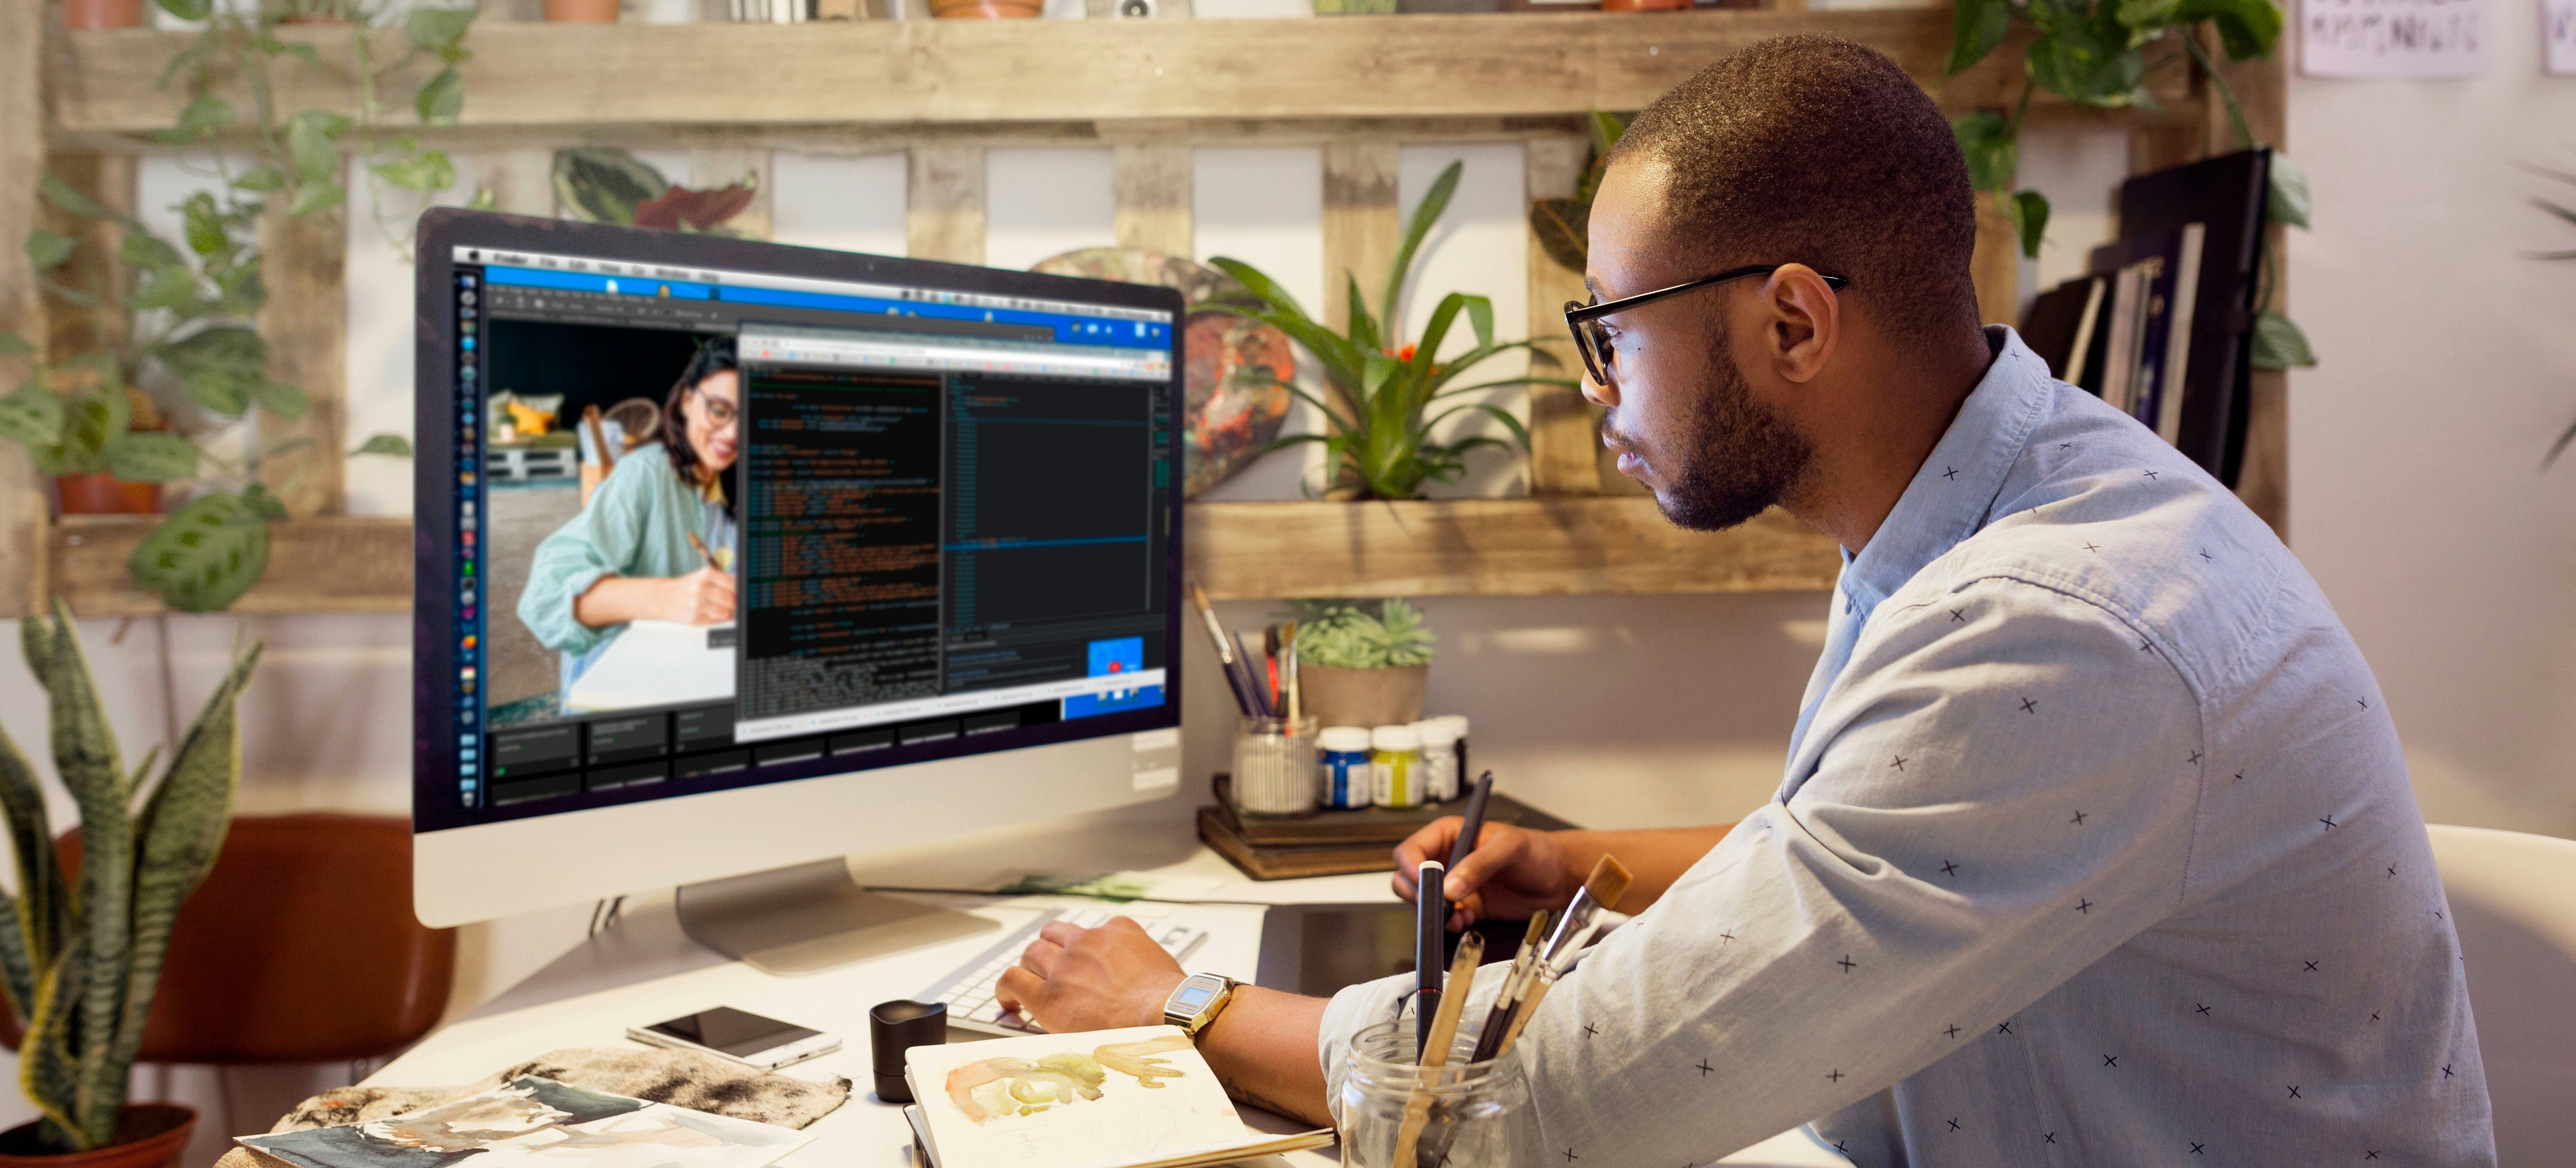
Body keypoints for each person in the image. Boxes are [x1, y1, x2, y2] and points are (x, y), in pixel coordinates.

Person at [992, 34, 2496, 1165]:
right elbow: (1875, 839)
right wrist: (1591, 862)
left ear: (1791, 320)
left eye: (1611, 334)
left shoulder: (2058, 618)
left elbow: (1551, 1106)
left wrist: (1177, 1001)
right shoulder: (2008, 498)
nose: (1596, 396)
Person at [518, 338, 741, 704]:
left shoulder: (736, 483)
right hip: (620, 694)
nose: (733, 433)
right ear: (687, 400)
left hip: (694, 679)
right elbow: (544, 599)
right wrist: (666, 597)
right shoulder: (644, 472)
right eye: (719, 410)